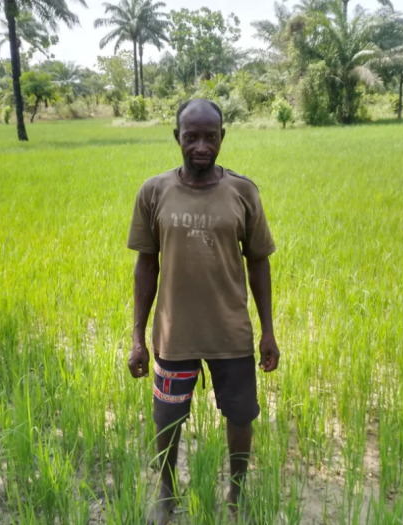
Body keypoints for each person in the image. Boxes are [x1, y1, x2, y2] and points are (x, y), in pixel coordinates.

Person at [126, 98, 280, 524]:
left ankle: (238, 491)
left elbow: (259, 262)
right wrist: (138, 338)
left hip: (231, 333)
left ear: (222, 137)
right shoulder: (154, 192)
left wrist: (268, 331)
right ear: (177, 137)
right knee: (167, 419)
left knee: (241, 416)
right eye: (190, 137)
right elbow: (146, 266)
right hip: (175, 337)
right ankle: (166, 492)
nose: (200, 146)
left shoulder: (242, 192)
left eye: (210, 137)